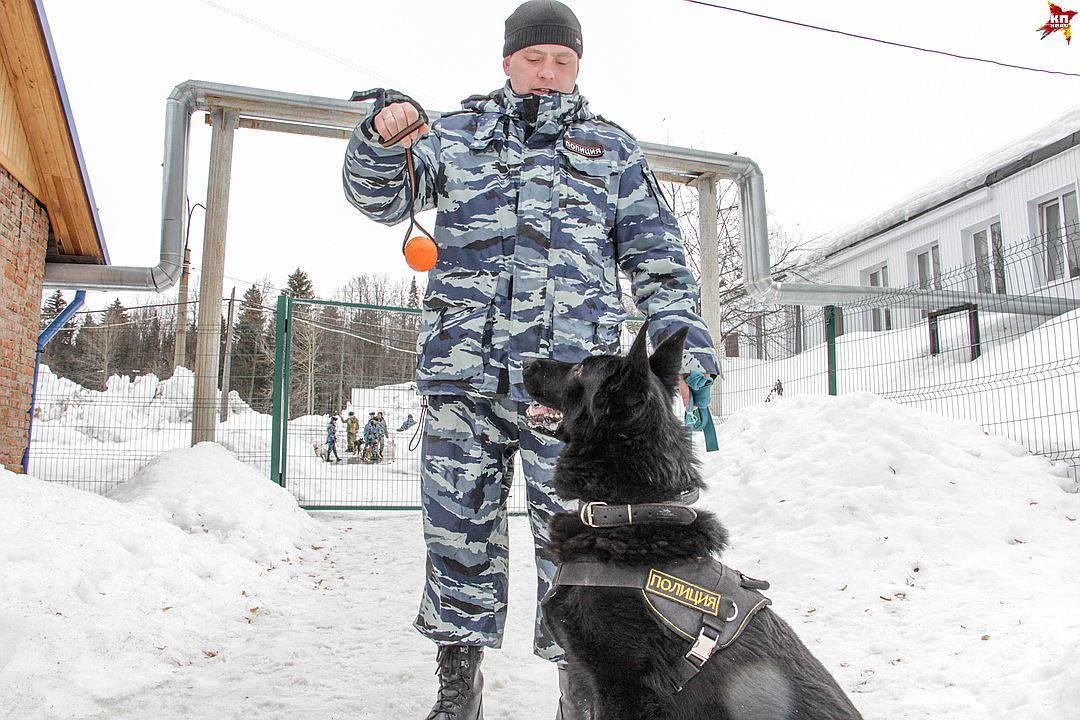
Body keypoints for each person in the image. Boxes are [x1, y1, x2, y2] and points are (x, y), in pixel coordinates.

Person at [342, 2, 718, 717]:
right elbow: (380, 198)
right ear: (507, 61)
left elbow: (660, 262)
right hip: (464, 379)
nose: (548, 73)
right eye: (535, 58)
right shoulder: (454, 136)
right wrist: (379, 140)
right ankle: (458, 696)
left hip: (572, 400)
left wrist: (685, 342)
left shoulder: (613, 152)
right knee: (457, 542)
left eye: (563, 61)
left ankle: (577, 697)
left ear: (579, 66)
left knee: (578, 550)